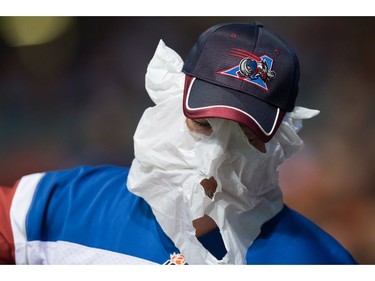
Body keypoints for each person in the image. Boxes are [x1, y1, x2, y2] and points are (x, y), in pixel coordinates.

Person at [0, 22, 357, 265]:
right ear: (171, 100)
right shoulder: (58, 206)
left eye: (246, 136)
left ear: (281, 140)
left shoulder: (316, 261)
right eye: (202, 124)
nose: (215, 157)